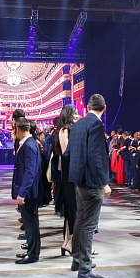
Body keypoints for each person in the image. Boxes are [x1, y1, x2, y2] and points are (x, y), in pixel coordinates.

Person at [67, 94, 111, 278]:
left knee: (80, 220)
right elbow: (96, 155)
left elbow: (69, 152)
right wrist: (104, 182)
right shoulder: (97, 125)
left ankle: (77, 261)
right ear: (104, 108)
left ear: (87, 107)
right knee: (89, 224)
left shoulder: (77, 124)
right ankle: (85, 268)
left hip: (77, 179)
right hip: (91, 180)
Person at [12, 118, 44, 264]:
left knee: (31, 223)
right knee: (30, 223)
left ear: (18, 129)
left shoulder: (29, 145)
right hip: (28, 190)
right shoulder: (28, 143)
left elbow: (30, 171)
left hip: (29, 192)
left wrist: (22, 192)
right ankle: (31, 251)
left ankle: (33, 254)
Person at [56, 105, 80, 256]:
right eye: (75, 113)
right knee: (72, 208)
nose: (77, 115)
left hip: (73, 172)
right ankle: (71, 242)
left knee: (73, 209)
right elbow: (66, 152)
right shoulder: (64, 130)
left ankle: (68, 241)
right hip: (69, 173)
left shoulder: (70, 129)